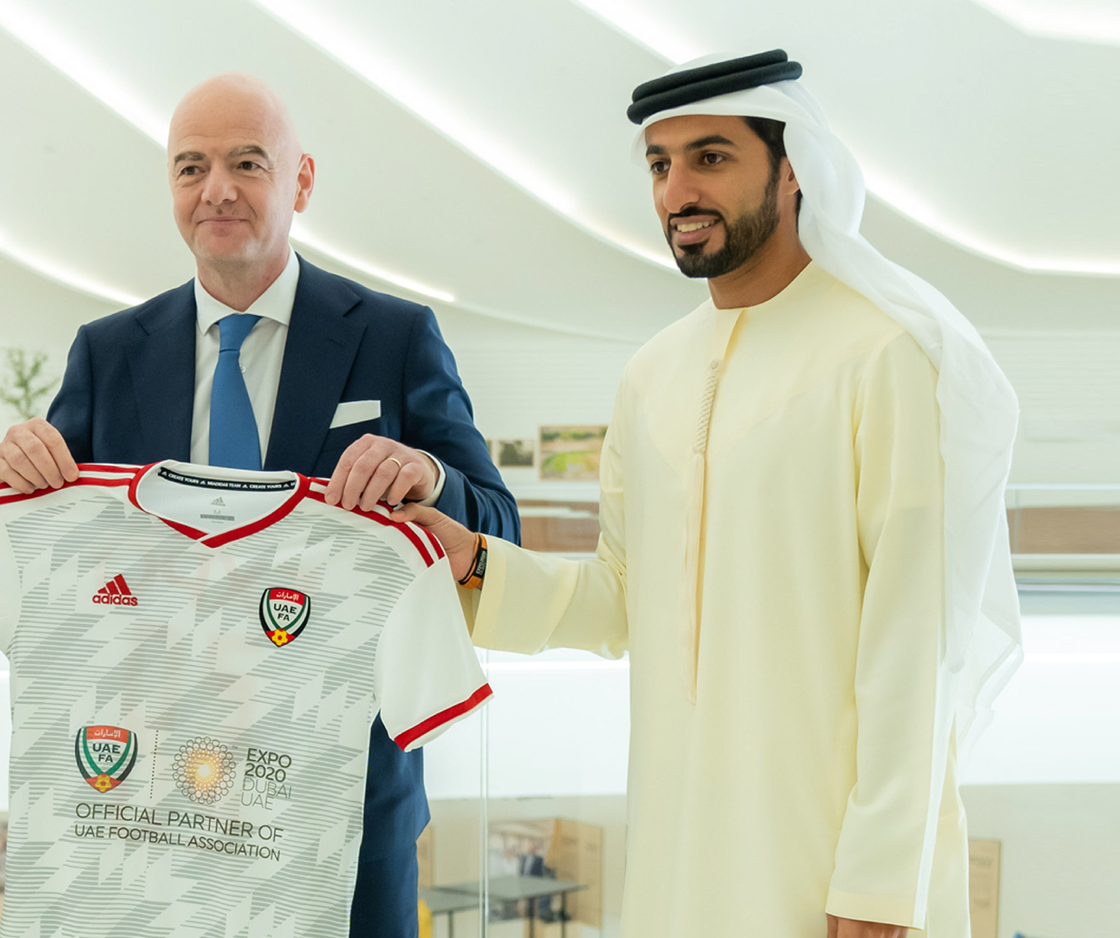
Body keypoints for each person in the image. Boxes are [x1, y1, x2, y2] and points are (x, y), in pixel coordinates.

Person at [395, 51, 1022, 938]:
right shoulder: (652, 374)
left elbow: (916, 640)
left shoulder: (882, 355)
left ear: (792, 167)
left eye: (711, 157)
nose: (677, 191)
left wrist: (880, 881)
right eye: (660, 165)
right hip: (678, 849)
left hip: (829, 862)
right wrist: (477, 565)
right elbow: (624, 597)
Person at [0, 72, 518, 935]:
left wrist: (428, 473)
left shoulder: (393, 338)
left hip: (340, 804)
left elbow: (500, 528)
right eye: (191, 167)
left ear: (300, 180)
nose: (217, 190)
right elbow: (33, 519)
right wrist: (7, 468)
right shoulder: (108, 353)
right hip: (148, 804)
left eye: (247, 163)